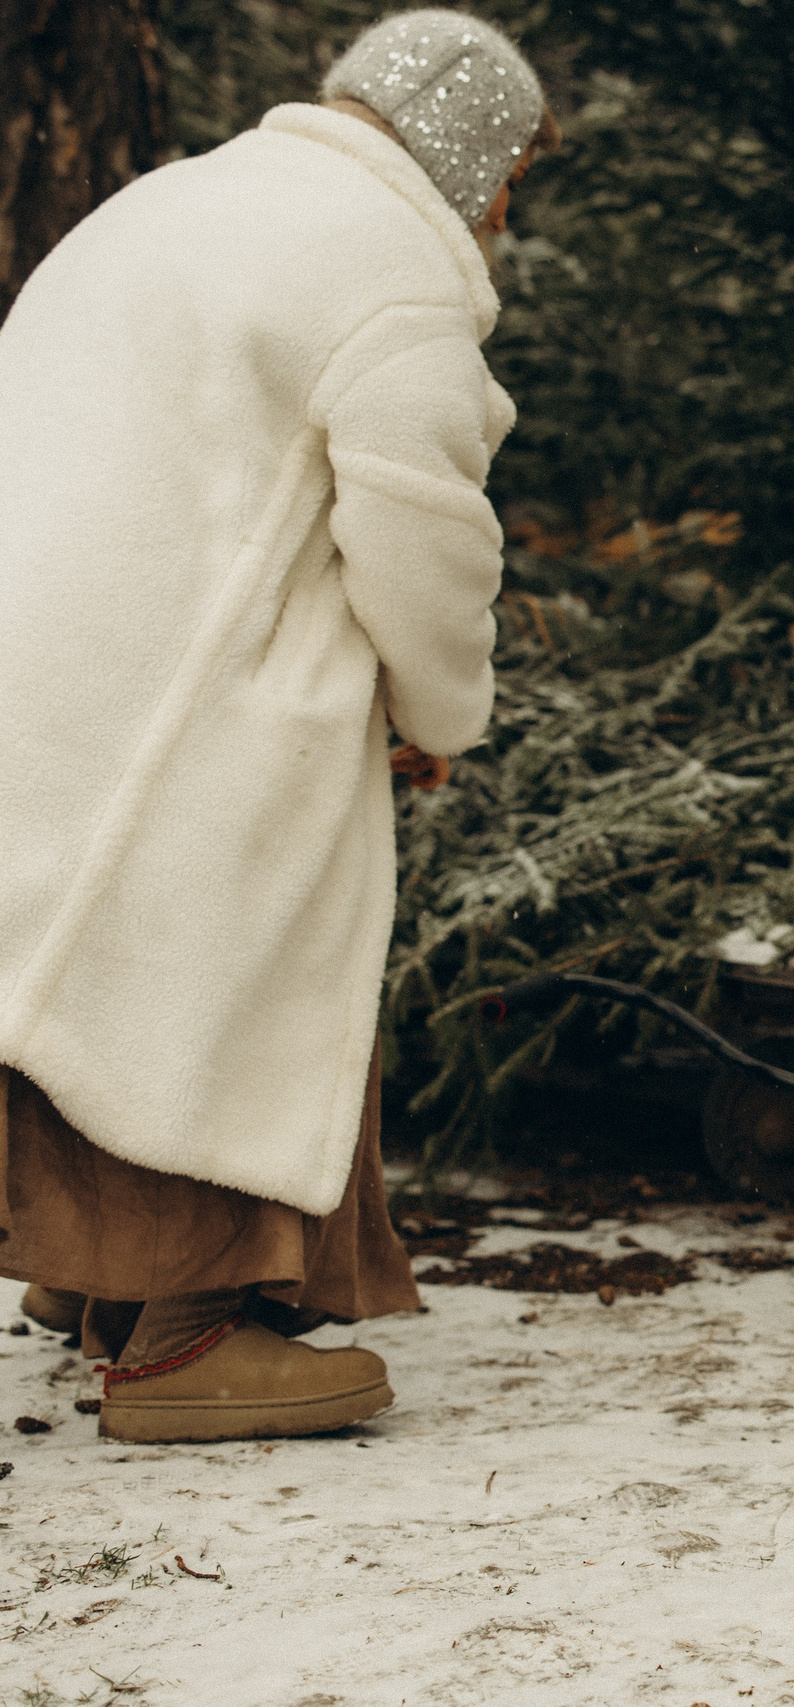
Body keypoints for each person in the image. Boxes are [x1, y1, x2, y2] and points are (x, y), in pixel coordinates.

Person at [0, 10, 555, 1443]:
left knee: (85, 954)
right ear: (468, 163)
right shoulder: (388, 271)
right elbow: (427, 540)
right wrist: (441, 711)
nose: (503, 213)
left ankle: (93, 1273)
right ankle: (189, 1337)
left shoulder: (163, 204)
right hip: (185, 701)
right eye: (508, 178)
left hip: (49, 673)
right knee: (244, 944)